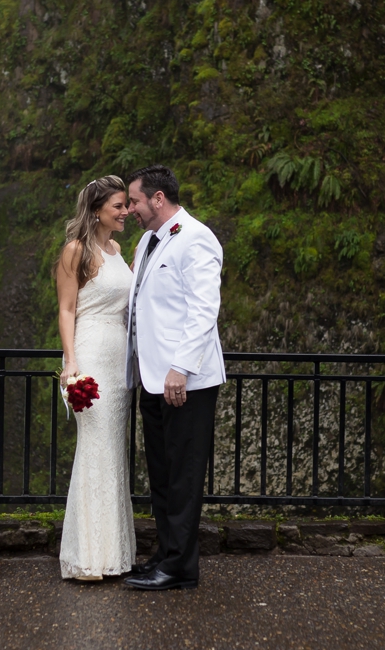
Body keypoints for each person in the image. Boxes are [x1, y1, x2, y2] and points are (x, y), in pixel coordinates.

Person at [123, 165, 225, 592]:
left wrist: (180, 369)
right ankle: (166, 555)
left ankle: (181, 567)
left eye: (134, 202)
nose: (129, 210)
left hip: (185, 382)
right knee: (162, 475)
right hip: (152, 380)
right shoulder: (148, 240)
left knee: (183, 476)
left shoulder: (197, 238)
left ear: (158, 198)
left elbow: (204, 309)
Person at [54, 175, 135, 582]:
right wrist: (71, 362)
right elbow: (67, 310)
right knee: (95, 446)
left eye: (126, 205)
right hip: (90, 352)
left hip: (118, 354)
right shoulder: (75, 251)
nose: (126, 212)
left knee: (112, 450)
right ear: (98, 209)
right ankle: (88, 556)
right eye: (119, 206)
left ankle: (112, 552)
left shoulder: (117, 249)